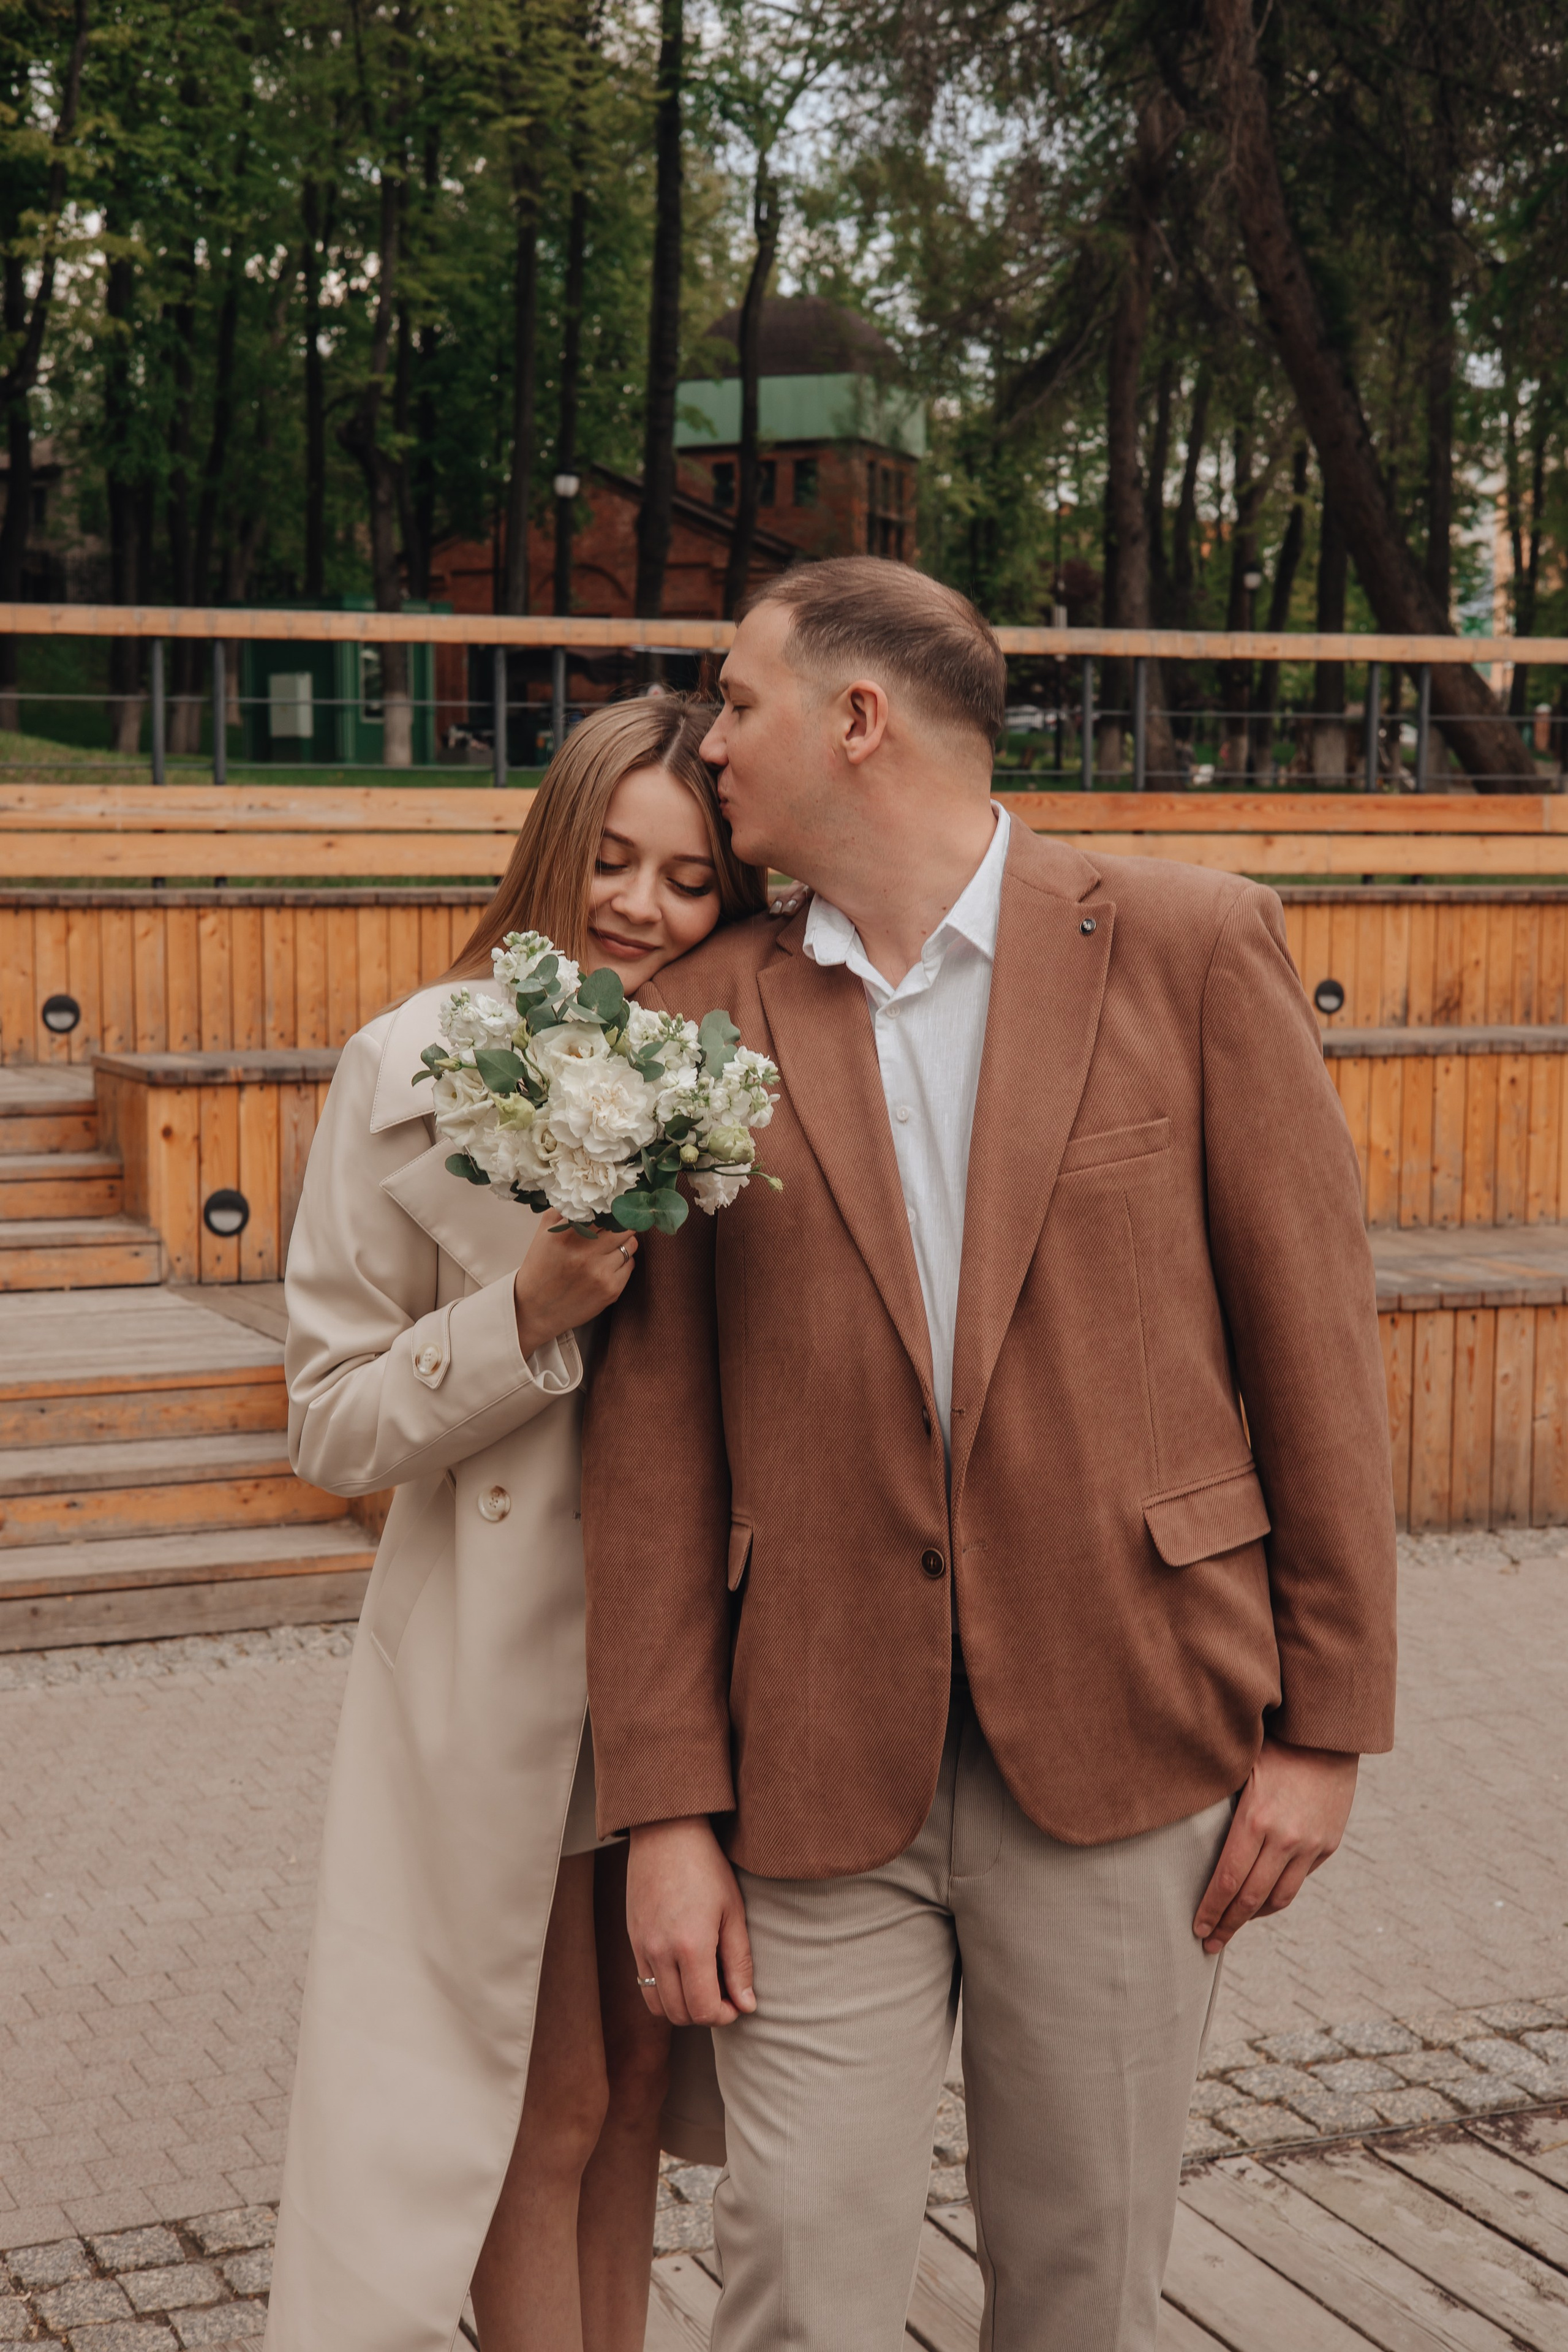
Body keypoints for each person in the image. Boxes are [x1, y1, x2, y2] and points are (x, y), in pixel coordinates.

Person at [582, 559, 1398, 2350]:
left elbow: (1317, 1357)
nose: (710, 745)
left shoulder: (1188, 943)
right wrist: (665, 1810)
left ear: (854, 721)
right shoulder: (696, 1022)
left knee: (1081, 2284)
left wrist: (1326, 1728)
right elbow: (647, 1452)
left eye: (737, 704)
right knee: (793, 2279)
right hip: (807, 1765)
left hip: (1129, 1741)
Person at [265, 697, 767, 2352]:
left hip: (688, 1666)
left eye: (692, 880)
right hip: (498, 1673)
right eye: (610, 856)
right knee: (537, 2104)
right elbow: (331, 1420)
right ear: (551, 840)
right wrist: (525, 1313)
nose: (637, 906)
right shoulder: (405, 1065)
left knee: (636, 2090)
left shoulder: (742, 1081)